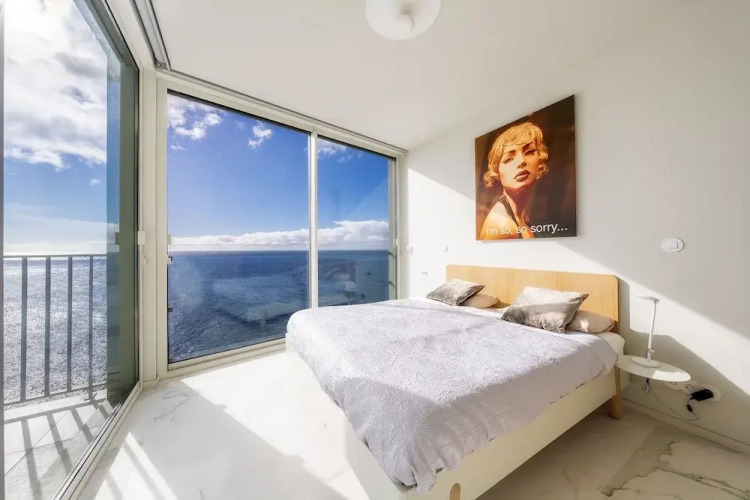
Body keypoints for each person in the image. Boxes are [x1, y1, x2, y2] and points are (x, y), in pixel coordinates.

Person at [479, 122, 549, 239]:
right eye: (509, 159)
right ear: (497, 171)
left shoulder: (521, 217)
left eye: (529, 152)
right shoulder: (504, 226)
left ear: (540, 160)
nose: (521, 161)